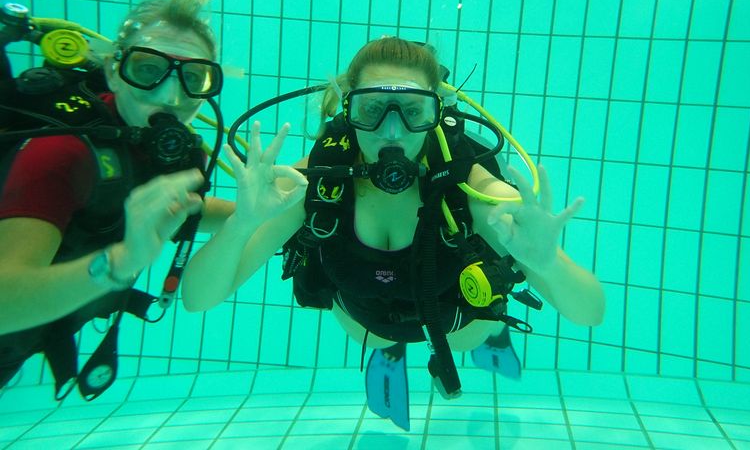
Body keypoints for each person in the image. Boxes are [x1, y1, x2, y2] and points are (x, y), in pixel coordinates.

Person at [182, 37, 605, 430]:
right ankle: (391, 350)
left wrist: (546, 263)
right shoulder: (316, 181)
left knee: (473, 335)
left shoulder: (469, 186)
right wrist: (242, 224)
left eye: (413, 111)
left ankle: (492, 336)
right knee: (377, 334)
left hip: (456, 325)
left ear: (435, 112)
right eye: (372, 110)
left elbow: (590, 313)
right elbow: (197, 299)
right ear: (349, 109)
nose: (391, 131)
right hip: (365, 318)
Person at [0, 0, 233, 398]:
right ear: (113, 71)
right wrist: (121, 262)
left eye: (193, 77)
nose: (172, 95)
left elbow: (184, 206)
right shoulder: (61, 152)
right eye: (147, 69)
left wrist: (260, 209)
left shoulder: (173, 153)